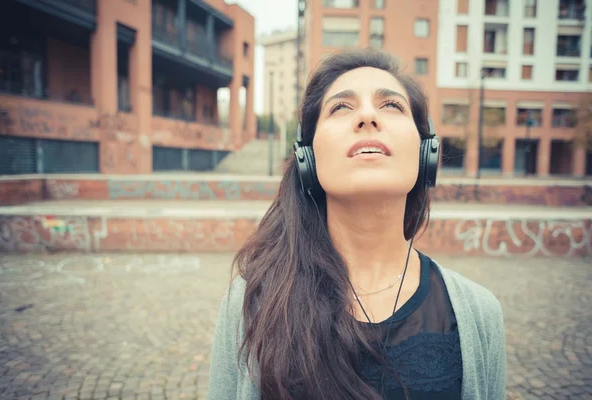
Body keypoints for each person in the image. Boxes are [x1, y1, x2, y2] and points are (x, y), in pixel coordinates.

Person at [207, 48, 506, 400]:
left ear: (427, 153)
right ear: (308, 158)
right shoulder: (251, 304)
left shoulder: (479, 313)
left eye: (391, 105)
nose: (367, 116)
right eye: (341, 107)